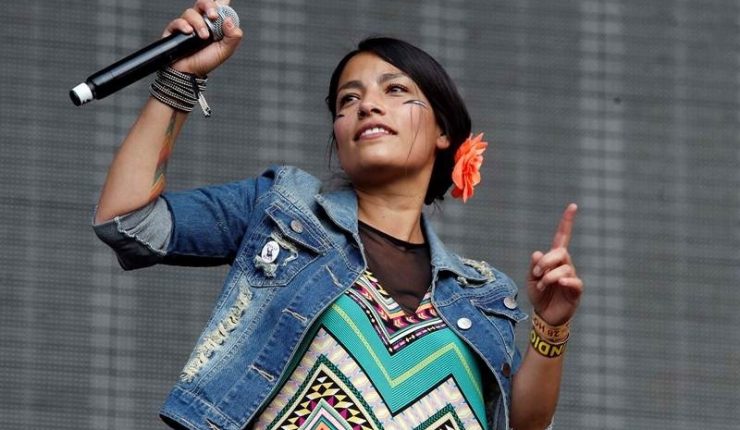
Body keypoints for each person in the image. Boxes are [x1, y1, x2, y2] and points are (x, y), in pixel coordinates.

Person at [92, 1, 583, 429]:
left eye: (394, 90)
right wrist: (180, 79)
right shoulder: (282, 208)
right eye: (349, 99)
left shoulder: (482, 292)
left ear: (443, 131)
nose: (368, 105)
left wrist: (550, 326)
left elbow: (524, 423)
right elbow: (128, 220)